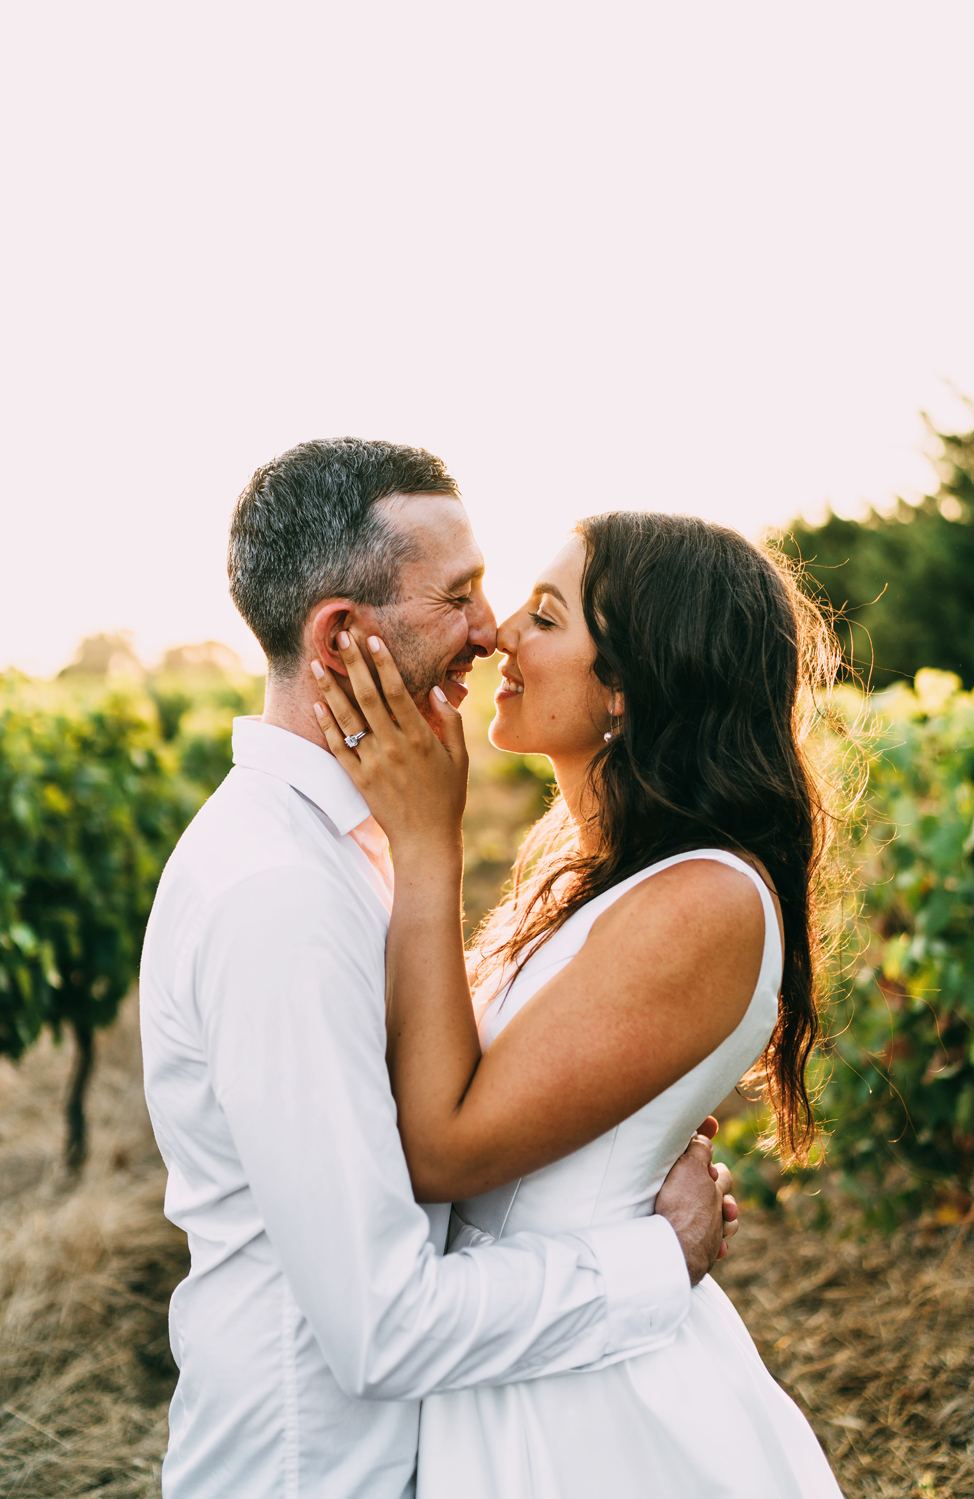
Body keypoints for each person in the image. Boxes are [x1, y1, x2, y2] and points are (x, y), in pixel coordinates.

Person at [139, 439, 738, 1499]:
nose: (488, 630)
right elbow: (383, 1324)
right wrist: (656, 1256)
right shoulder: (279, 892)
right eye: (459, 596)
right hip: (319, 1470)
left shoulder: (358, 847)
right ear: (341, 634)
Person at [311, 507, 845, 1497]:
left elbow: (443, 1149)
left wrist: (426, 842)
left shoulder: (703, 898)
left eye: (547, 616)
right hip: (512, 1346)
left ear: (630, 686)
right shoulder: (588, 870)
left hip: (586, 1414)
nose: (502, 632)